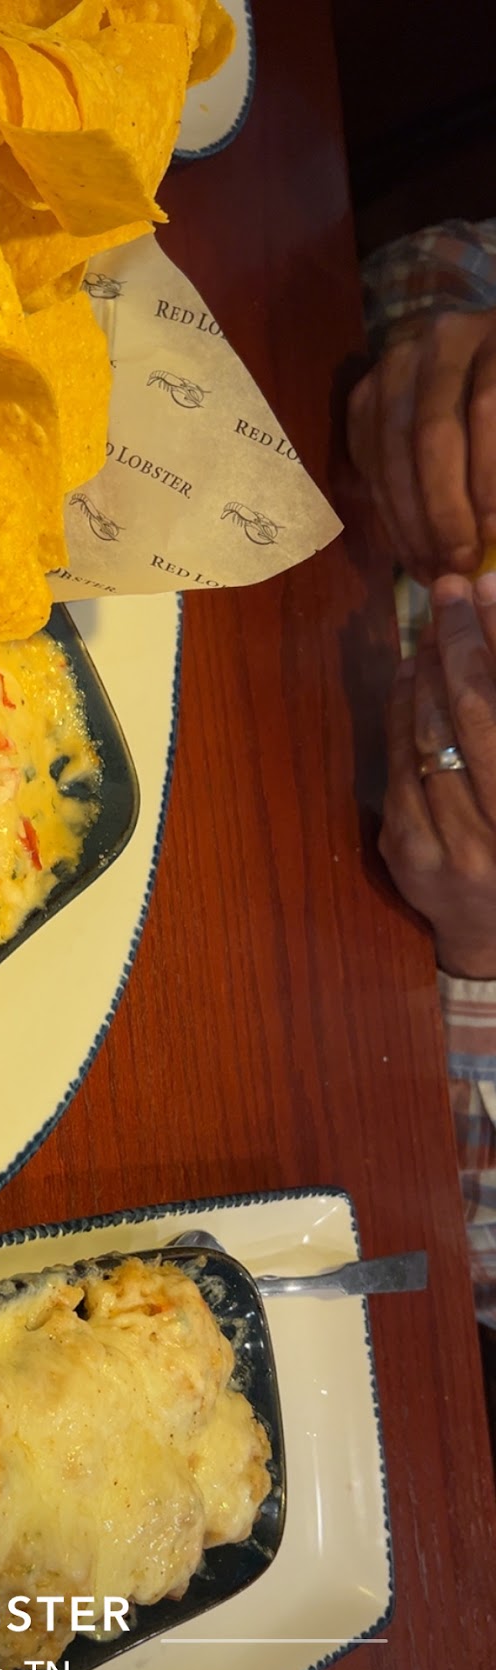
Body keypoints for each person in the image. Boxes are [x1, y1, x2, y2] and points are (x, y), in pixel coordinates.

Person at [347, 220, 496, 1325]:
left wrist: (480, 953)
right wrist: (444, 354)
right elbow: (439, 255)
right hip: (276, 582)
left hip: (338, 964)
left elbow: (456, 1270)